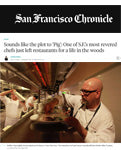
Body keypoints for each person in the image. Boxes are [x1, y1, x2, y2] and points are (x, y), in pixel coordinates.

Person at [44, 78, 115, 143]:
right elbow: (63, 98)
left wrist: (79, 128)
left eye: (86, 92)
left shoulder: (105, 117)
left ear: (97, 94)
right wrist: (52, 103)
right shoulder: (79, 101)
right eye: (82, 90)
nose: (81, 94)